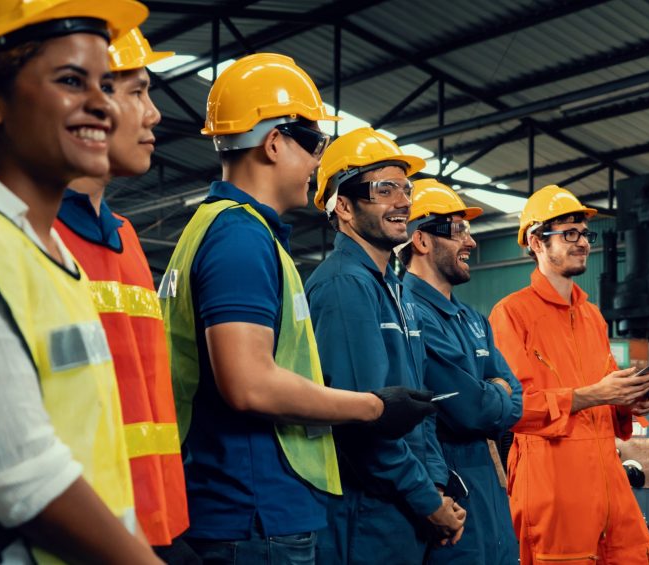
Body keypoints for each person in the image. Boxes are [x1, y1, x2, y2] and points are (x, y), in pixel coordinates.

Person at [158, 54, 436, 564]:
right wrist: (375, 406)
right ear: (273, 142)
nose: (315, 164)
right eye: (313, 146)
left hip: (244, 506)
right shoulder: (240, 237)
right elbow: (249, 383)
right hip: (253, 510)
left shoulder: (219, 229)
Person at [0, 1, 161, 563]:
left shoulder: (48, 251)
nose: (102, 106)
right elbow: (25, 480)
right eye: (72, 81)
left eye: (106, 83)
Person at [52, 27, 192, 558]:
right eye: (136, 92)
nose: (154, 114)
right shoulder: (34, 239)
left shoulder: (129, 240)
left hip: (160, 528)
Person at [306, 128, 467, 564]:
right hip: (367, 514)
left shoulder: (393, 288)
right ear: (342, 205)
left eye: (405, 188)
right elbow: (365, 425)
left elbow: (419, 407)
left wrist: (435, 485)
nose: (403, 201)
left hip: (404, 507)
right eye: (384, 189)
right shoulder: (345, 286)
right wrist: (429, 502)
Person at [488, 184, 649, 565]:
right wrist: (594, 395)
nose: (582, 242)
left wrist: (632, 401)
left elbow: (606, 392)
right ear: (536, 242)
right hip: (553, 484)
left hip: (608, 481)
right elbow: (514, 409)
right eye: (569, 233)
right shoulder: (511, 314)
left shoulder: (591, 315)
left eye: (584, 233)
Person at [398, 179, 521, 564]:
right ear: (421, 240)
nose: (470, 242)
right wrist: (492, 392)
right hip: (452, 492)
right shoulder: (409, 313)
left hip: (491, 491)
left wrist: (494, 394)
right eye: (457, 230)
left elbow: (514, 398)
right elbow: (471, 410)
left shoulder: (473, 319)